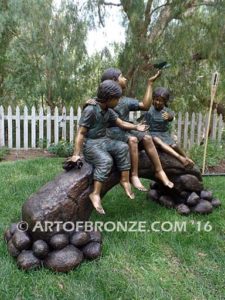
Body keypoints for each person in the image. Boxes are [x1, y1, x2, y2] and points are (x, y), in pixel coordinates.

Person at [70, 80, 148, 215]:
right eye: (117, 99)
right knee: (106, 161)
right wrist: (76, 153)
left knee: (123, 147)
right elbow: (81, 133)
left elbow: (121, 123)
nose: (118, 102)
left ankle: (124, 180)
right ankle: (95, 193)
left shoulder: (108, 110)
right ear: (109, 98)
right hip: (92, 144)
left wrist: (136, 127)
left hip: (104, 140)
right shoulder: (91, 110)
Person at [100, 68, 174, 191]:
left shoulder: (125, 100)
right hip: (111, 131)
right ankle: (133, 175)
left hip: (126, 128)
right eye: (121, 76)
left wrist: (150, 84)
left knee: (147, 137)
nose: (125, 78)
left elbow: (145, 105)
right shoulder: (104, 98)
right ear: (113, 80)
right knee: (133, 139)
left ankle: (159, 170)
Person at [142, 87, 193, 165]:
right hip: (152, 134)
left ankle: (187, 158)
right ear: (153, 99)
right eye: (156, 100)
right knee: (159, 142)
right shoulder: (149, 110)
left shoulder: (166, 111)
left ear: (165, 101)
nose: (158, 102)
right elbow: (144, 122)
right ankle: (181, 159)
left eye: (160, 101)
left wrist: (169, 117)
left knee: (174, 145)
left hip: (164, 134)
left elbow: (171, 117)